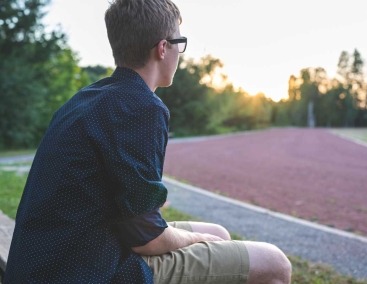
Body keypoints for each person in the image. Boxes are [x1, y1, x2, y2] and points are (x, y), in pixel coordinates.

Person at [4, 0, 292, 283]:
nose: (181, 52)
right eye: (179, 42)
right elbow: (146, 238)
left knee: (218, 235)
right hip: (84, 270)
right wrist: (194, 238)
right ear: (163, 48)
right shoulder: (141, 107)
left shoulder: (88, 98)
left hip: (47, 261)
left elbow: (123, 200)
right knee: (274, 263)